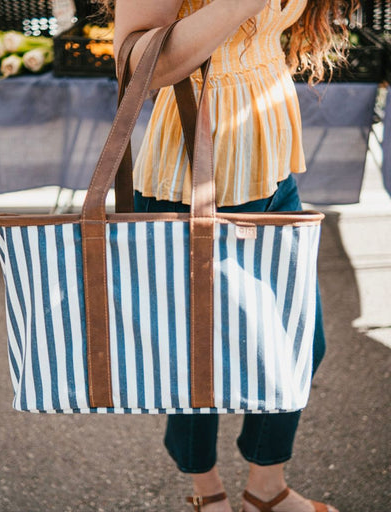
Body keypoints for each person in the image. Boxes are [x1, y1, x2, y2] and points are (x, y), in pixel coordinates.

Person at [107, 0, 354, 511]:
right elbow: (136, 64)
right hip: (190, 178)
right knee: (199, 361)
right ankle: (208, 492)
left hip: (272, 168)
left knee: (298, 343)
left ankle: (266, 488)